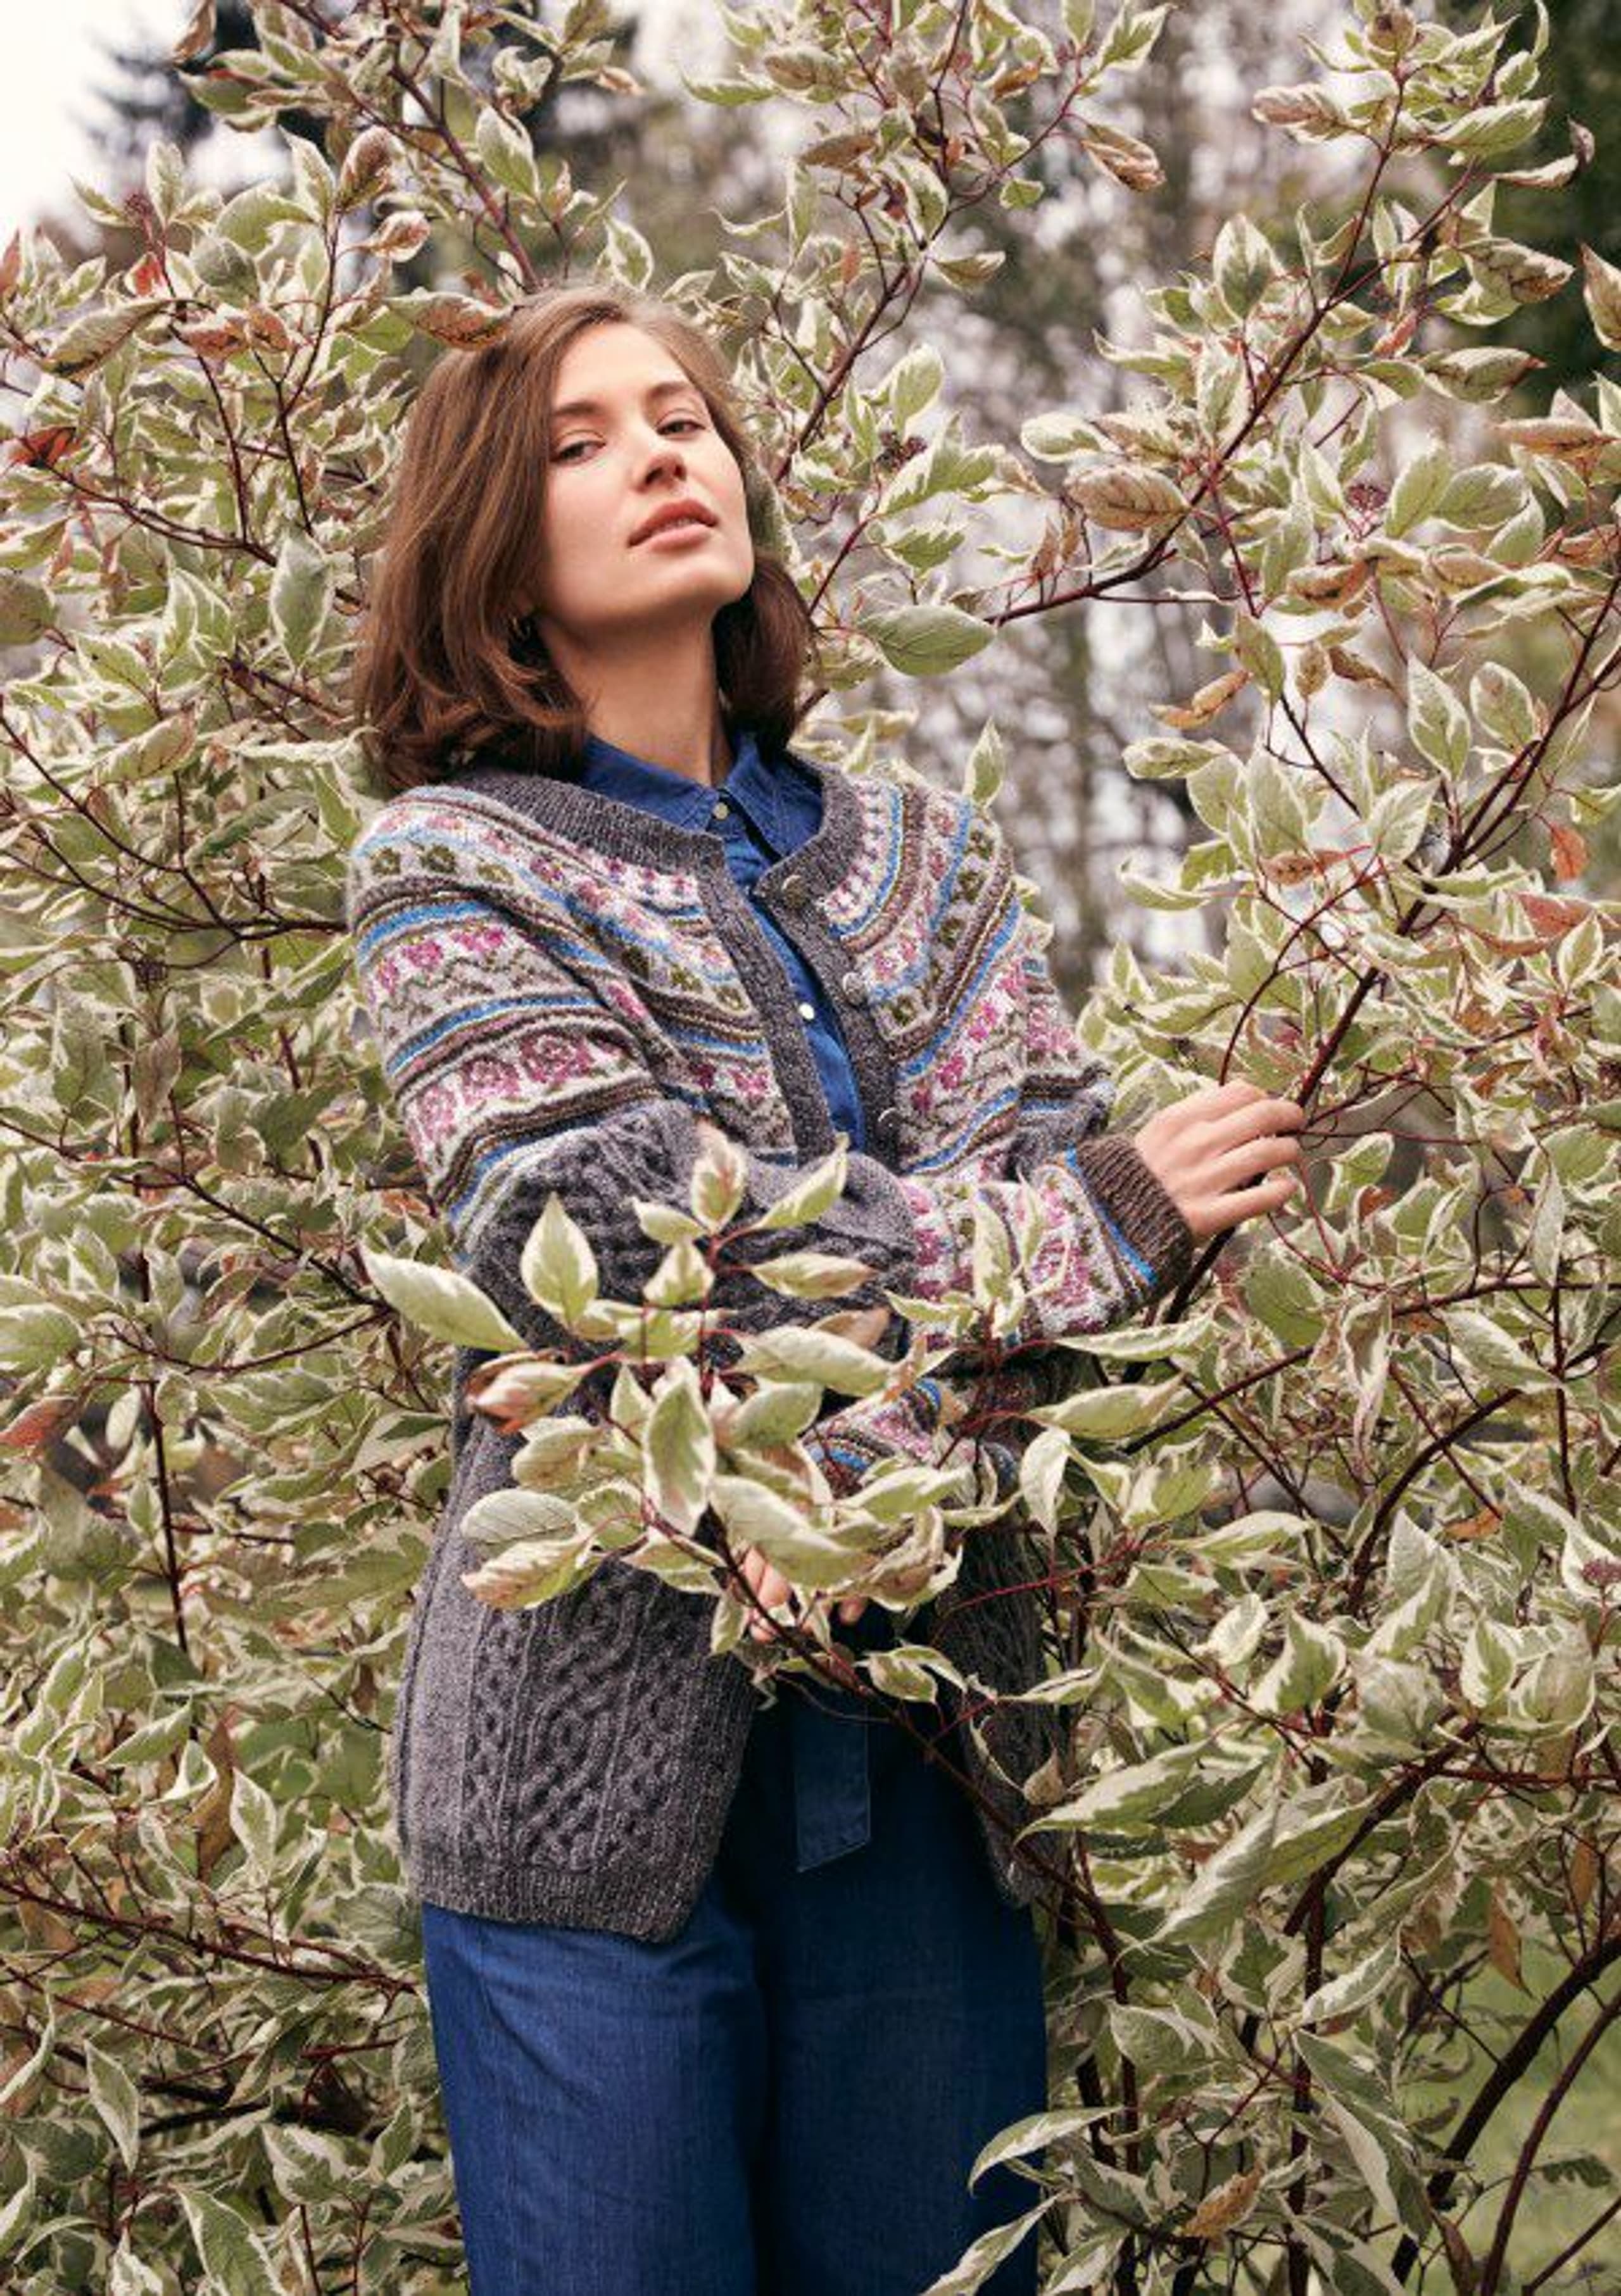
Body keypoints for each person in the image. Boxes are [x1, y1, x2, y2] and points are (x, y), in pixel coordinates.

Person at [343, 280, 1307, 2296]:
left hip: (929, 1768)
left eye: (682, 417)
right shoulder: (452, 867)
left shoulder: (922, 862)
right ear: (490, 543)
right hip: (578, 1802)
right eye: (581, 442)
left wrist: (893, 1432)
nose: (659, 457)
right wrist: (1084, 1222)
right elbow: (600, 1236)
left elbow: (1089, 1295)